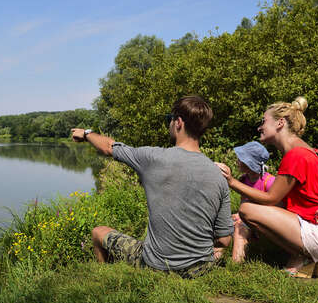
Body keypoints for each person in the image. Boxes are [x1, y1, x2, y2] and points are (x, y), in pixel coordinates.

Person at [71, 96, 233, 278]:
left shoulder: (152, 158)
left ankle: (106, 279)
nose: (170, 124)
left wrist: (86, 133)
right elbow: (224, 240)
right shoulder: (219, 176)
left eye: (170, 119)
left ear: (178, 122)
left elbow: (109, 147)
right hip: (199, 270)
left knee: (98, 232)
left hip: (157, 266)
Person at [216, 96, 318, 277]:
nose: (260, 127)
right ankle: (309, 256)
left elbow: (271, 198)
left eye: (264, 121)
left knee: (247, 210)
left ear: (280, 123)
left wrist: (232, 182)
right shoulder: (306, 150)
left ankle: (305, 256)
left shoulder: (295, 155)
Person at [230, 141, 275, 263]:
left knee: (240, 227)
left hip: (264, 224)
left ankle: (235, 264)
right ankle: (215, 256)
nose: (237, 161)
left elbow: (275, 210)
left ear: (249, 164)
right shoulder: (244, 180)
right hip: (246, 219)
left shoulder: (269, 182)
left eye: (241, 159)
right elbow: (243, 203)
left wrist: (242, 219)